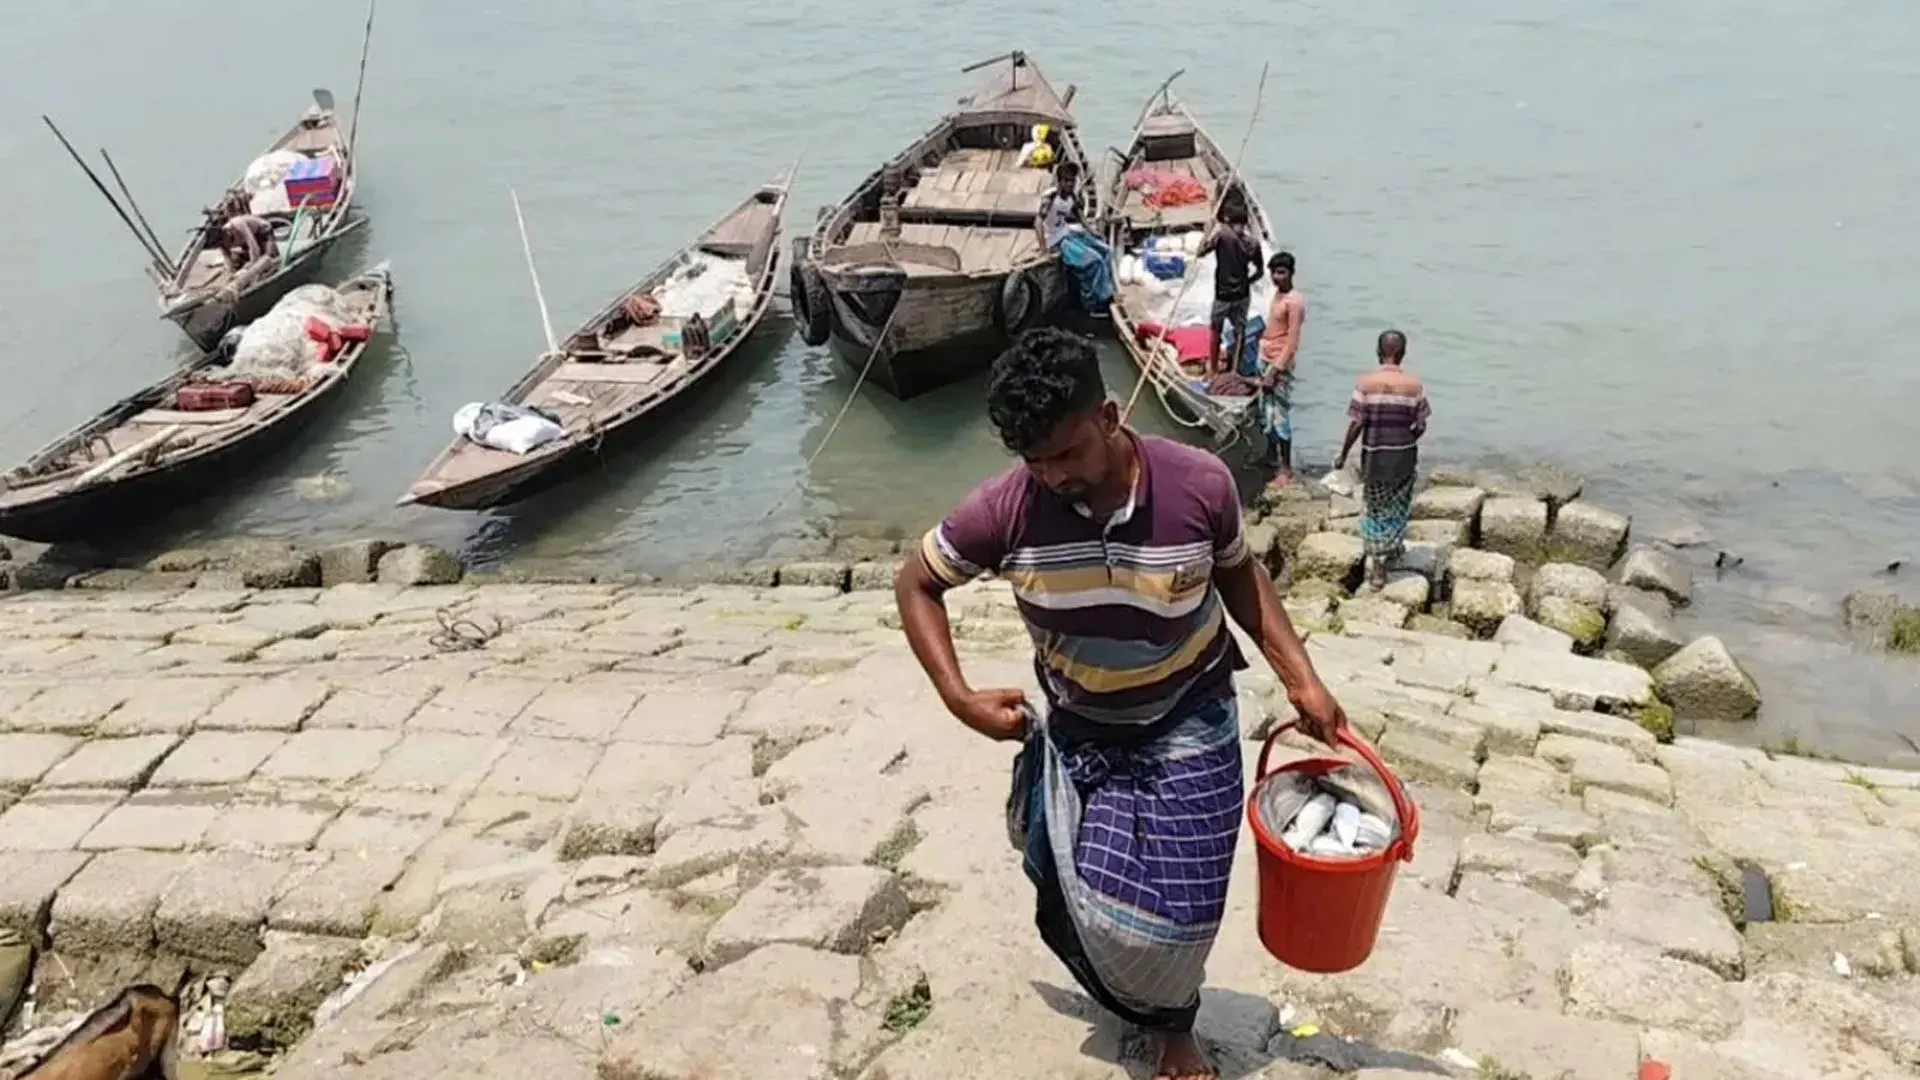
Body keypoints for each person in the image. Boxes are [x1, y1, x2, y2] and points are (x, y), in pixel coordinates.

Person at [894, 327, 1348, 1080]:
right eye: (1033, 460)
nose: (1053, 476)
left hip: (1191, 711)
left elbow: (1239, 576)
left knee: (1185, 907)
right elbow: (916, 583)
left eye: (1068, 453)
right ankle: (1143, 999)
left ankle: (1175, 1024)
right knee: (1096, 898)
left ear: (1109, 417)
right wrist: (958, 696)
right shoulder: (1005, 509)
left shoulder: (1200, 485)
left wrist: (1301, 677)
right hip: (1083, 729)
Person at [1334, 330, 1430, 588]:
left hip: (1375, 458)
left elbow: (1356, 424)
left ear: (1378, 353)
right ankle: (1392, 547)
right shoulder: (1415, 386)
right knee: (1398, 505)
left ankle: (1379, 567)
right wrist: (1407, 439)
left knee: (1376, 508)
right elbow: (1421, 425)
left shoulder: (1365, 385)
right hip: (1404, 458)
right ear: (1403, 354)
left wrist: (1343, 454)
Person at [1196, 196, 1262, 375]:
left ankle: (1213, 370)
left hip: (1223, 295)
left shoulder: (1222, 237)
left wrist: (1207, 232)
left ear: (1228, 221)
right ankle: (1234, 371)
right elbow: (1259, 272)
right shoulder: (1253, 244)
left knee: (1215, 331)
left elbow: (1200, 252)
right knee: (1240, 332)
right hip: (1242, 295)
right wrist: (1246, 282)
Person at [1256, 252, 1306, 484]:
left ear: (1291, 273)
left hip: (1279, 364)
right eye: (1274, 273)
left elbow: (1292, 342)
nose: (1277, 277)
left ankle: (1286, 467)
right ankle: (1270, 455)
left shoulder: (1294, 302)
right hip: (1265, 356)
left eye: (1281, 273)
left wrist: (1275, 371)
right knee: (1265, 412)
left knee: (1280, 415)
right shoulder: (1278, 295)